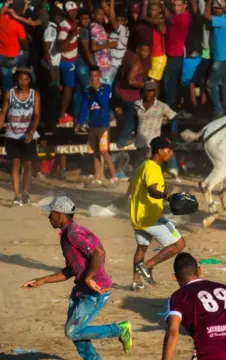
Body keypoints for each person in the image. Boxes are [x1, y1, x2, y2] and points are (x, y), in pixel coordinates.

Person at [23, 196, 133, 358]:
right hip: (81, 290)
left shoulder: (72, 233)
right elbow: (71, 270)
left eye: (51, 213)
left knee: (73, 331)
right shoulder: (69, 232)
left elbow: (98, 253)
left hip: (94, 290)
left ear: (60, 214)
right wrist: (42, 281)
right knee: (76, 331)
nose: (49, 217)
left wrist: (89, 278)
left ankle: (120, 328)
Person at [162, 252, 226, 360]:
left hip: (210, 354)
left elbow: (172, 332)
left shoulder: (177, 297)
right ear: (199, 270)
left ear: (175, 277)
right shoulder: (225, 289)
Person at [129, 136, 186, 291]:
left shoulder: (144, 165)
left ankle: (136, 281)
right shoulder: (153, 168)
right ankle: (147, 267)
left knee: (142, 247)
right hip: (149, 218)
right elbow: (152, 189)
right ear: (159, 151)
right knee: (179, 244)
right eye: (168, 150)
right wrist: (165, 195)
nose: (171, 153)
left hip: (138, 216)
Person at [0, 69, 40, 206]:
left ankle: (25, 192)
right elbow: (3, 112)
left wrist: (31, 132)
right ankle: (17, 195)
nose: (23, 82)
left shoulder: (35, 95)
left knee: (28, 165)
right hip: (12, 134)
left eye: (26, 79)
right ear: (16, 80)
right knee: (15, 164)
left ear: (30, 80)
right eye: (20, 79)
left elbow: (37, 115)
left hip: (28, 134)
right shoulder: (9, 94)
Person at [76, 66, 118, 187]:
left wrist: (97, 90)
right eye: (91, 76)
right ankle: (98, 178)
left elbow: (104, 103)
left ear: (99, 75)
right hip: (92, 125)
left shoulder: (106, 88)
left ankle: (114, 176)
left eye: (95, 75)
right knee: (95, 153)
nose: (93, 78)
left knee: (104, 151)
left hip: (103, 125)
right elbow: (84, 108)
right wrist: (79, 122)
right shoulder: (88, 91)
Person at [133, 81, 180, 177]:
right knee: (143, 167)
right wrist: (133, 130)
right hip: (141, 140)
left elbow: (174, 116)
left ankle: (172, 168)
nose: (148, 93)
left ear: (155, 92)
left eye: (151, 91)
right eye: (146, 91)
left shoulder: (161, 106)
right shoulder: (136, 105)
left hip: (155, 139)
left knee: (163, 152)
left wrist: (173, 129)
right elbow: (133, 118)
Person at [204, 0, 226, 118]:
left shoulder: (224, 19)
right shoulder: (221, 19)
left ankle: (218, 108)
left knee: (211, 84)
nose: (216, 10)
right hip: (224, 56)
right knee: (225, 82)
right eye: (215, 8)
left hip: (222, 58)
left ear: (224, 9)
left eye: (218, 8)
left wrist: (209, 2)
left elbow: (206, 15)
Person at [163, 0, 191, 111]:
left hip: (175, 54)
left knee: (170, 81)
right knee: (169, 80)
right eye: (174, 5)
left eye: (178, 5)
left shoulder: (183, 18)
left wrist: (163, 5)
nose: (176, 8)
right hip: (170, 52)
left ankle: (170, 105)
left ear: (184, 6)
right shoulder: (178, 15)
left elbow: (168, 18)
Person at [57, 1, 80, 125]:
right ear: (66, 13)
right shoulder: (65, 26)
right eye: (71, 11)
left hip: (72, 60)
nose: (74, 13)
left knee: (67, 88)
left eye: (75, 11)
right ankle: (61, 115)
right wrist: (72, 35)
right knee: (68, 89)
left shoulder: (74, 22)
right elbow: (61, 47)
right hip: (68, 62)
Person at [0, 0, 27, 92]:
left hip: (1, 55)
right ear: (21, 10)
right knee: (25, 52)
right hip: (11, 58)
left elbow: (1, 11)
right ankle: (22, 75)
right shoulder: (18, 25)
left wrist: (6, 4)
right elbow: (25, 43)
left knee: (6, 82)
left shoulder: (1, 17)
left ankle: (5, 101)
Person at [89, 6, 117, 84]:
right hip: (101, 65)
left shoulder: (100, 26)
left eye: (102, 14)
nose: (101, 16)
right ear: (93, 15)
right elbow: (93, 47)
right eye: (98, 14)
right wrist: (109, 45)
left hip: (105, 64)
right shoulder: (95, 28)